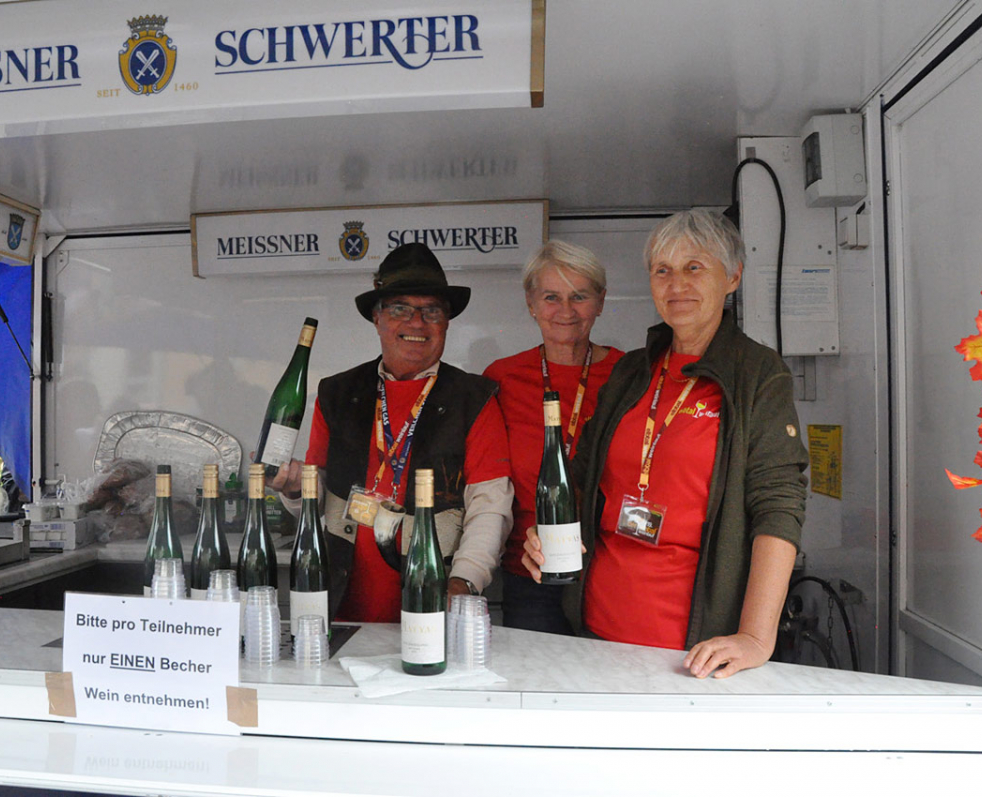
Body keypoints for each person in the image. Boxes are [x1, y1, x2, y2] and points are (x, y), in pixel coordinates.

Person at [522, 209, 808, 679]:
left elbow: (778, 505)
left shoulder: (758, 374)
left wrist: (756, 637)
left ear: (732, 277)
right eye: (663, 270)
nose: (677, 284)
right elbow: (580, 476)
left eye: (694, 267)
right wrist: (544, 534)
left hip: (692, 655)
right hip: (594, 635)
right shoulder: (631, 371)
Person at [271, 242, 513, 622]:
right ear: (377, 317)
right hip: (338, 609)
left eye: (432, 310)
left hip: (431, 608)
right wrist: (294, 489)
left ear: (447, 322)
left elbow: (490, 508)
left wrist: (464, 582)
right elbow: (315, 499)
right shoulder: (337, 393)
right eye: (400, 308)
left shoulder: (474, 398)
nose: (417, 322)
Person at [483, 240, 623, 634]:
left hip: (609, 572)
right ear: (531, 302)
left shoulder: (629, 375)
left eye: (579, 296)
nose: (565, 311)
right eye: (551, 297)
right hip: (532, 572)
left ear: (600, 301)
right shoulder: (502, 379)